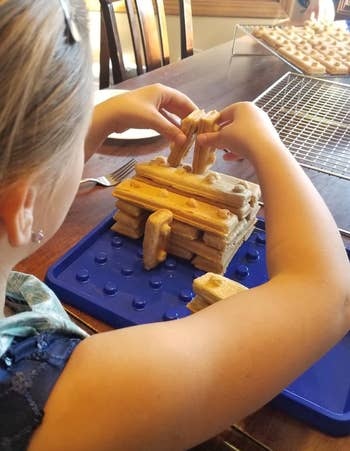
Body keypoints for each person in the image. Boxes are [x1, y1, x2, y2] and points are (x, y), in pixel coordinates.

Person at [0, 1, 349, 450]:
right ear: (22, 208)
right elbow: (327, 296)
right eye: (72, 140)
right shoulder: (69, 396)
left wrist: (93, 123)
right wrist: (269, 147)